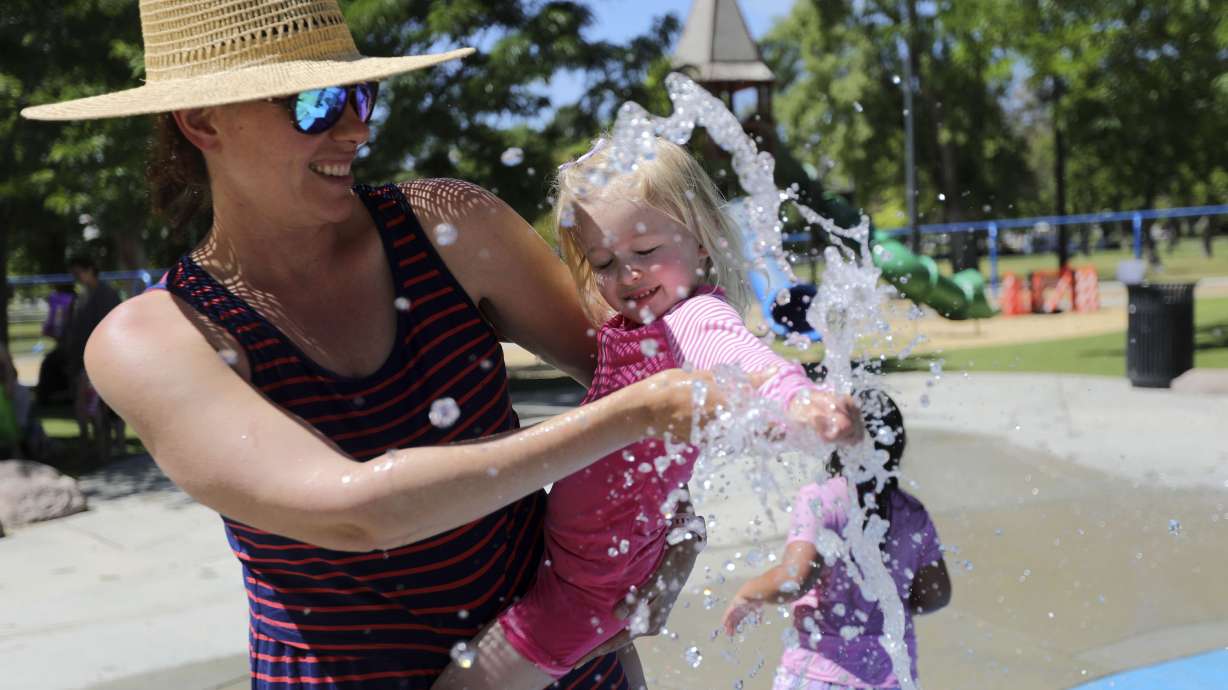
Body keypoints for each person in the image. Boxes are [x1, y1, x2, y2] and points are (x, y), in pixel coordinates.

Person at [20, 2, 862, 688]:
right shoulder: (151, 338)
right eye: (316, 105)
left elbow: (656, 363)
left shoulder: (448, 224)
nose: (354, 130)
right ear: (202, 119)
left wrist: (669, 538)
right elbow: (353, 510)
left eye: (362, 97)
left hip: (566, 670)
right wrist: (635, 417)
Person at [433, 137, 863, 690]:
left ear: (702, 241)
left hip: (590, 582)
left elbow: (742, 359)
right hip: (594, 565)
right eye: (605, 262)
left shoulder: (693, 316)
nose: (628, 276)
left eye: (645, 250)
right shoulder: (642, 325)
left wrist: (799, 400)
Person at [722, 391, 951, 690]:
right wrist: (888, 605)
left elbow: (794, 579)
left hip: (818, 675)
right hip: (891, 676)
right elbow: (936, 595)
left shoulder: (822, 500)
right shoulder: (912, 513)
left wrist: (748, 593)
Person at [61, 256, 125, 461]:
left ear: (90, 269)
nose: (77, 277)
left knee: (106, 407)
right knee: (86, 407)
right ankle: (92, 449)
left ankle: (112, 449)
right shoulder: (82, 297)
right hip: (83, 361)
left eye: (79, 272)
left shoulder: (108, 295)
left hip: (104, 359)